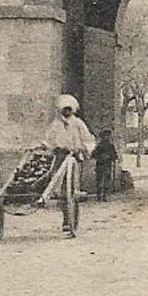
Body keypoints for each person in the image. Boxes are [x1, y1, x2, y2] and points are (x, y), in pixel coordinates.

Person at [44, 94, 96, 235]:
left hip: (73, 157)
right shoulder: (56, 124)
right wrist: (45, 146)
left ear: (72, 110)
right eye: (64, 109)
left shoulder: (78, 123)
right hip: (60, 157)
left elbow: (88, 139)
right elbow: (49, 139)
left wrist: (86, 149)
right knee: (61, 189)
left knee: (71, 189)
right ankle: (65, 218)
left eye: (69, 109)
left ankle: (70, 221)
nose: (66, 112)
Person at [93, 128, 118, 202]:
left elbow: (114, 156)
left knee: (106, 181)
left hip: (107, 165)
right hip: (100, 165)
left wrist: (110, 157)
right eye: (105, 136)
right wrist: (101, 157)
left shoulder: (111, 146)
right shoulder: (99, 146)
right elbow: (94, 154)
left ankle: (104, 196)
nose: (106, 137)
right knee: (99, 181)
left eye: (108, 136)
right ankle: (99, 196)